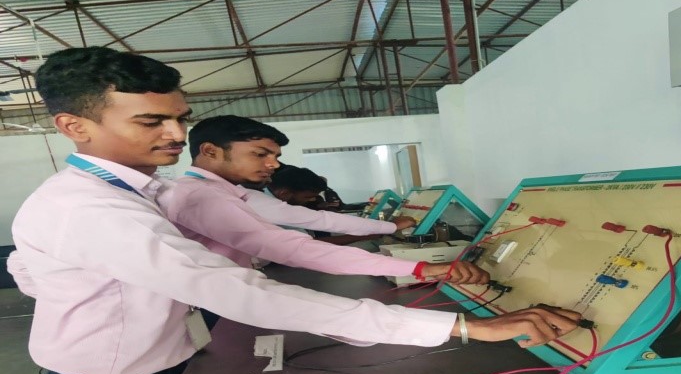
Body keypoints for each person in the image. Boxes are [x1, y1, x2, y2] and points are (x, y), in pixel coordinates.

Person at [9, 47, 581, 374]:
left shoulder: (138, 193)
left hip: (159, 360)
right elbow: (240, 288)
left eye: (180, 118)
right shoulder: (91, 207)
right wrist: (462, 327)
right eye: (150, 121)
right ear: (74, 126)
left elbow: (28, 268)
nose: (177, 135)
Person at [162, 116, 487, 277]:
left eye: (274, 156)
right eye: (261, 154)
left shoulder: (227, 191)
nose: (273, 164)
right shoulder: (202, 196)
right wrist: (416, 266)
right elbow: (296, 243)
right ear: (210, 151)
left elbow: (311, 223)